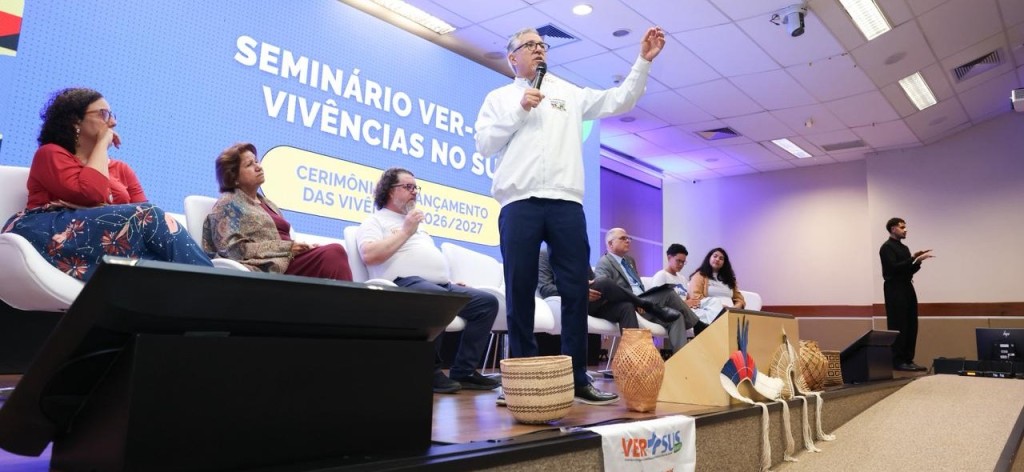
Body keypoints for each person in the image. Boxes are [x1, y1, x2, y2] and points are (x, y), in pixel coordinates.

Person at [474, 26, 666, 405]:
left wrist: (642, 61)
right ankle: (521, 378)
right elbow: (484, 144)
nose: (539, 49)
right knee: (519, 289)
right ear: (512, 57)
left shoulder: (568, 92)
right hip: (520, 202)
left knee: (576, 292)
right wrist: (519, 109)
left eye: (542, 44)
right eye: (529, 45)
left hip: (566, 203)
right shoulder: (499, 98)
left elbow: (620, 100)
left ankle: (577, 377)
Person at [1, 87, 212, 280]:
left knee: (158, 261)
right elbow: (92, 194)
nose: (112, 122)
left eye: (112, 115)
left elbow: (146, 221)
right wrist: (102, 144)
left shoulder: (122, 169)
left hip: (106, 242)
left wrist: (98, 209)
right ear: (75, 121)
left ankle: (209, 297)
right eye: (103, 114)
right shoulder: (50, 153)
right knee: (149, 215)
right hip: (46, 234)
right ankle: (216, 285)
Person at [356, 167, 500, 393]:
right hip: (402, 284)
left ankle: (464, 372)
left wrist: (448, 279)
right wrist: (406, 231)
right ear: (390, 191)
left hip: (438, 285)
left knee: (486, 303)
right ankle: (429, 372)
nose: (414, 192)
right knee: (437, 298)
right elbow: (369, 255)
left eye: (416, 188)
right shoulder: (375, 221)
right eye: (408, 187)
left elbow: (424, 258)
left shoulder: (418, 226)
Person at [202, 143, 352, 281]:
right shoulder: (227, 203)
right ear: (234, 177)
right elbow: (232, 250)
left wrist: (302, 249)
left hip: (289, 261)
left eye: (256, 161)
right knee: (333, 253)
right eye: (249, 164)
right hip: (267, 267)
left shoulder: (268, 203)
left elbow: (284, 242)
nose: (258, 167)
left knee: (330, 254)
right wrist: (286, 249)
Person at [594, 228, 705, 353]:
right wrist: (634, 301)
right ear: (610, 243)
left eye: (628, 238)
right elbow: (607, 290)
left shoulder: (630, 261)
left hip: (643, 302)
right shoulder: (604, 263)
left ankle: (681, 359)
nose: (628, 241)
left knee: (676, 316)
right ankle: (698, 325)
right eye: (623, 238)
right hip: (631, 303)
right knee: (668, 293)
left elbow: (636, 285)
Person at [538, 247, 640, 331]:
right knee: (603, 282)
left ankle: (634, 350)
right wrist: (579, 291)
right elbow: (545, 288)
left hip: (591, 303)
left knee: (626, 307)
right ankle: (641, 302)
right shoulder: (545, 254)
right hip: (570, 302)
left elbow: (593, 280)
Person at [879, 217, 933, 372]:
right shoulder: (886, 247)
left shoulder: (904, 248)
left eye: (905, 227)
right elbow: (893, 268)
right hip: (894, 289)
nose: (905, 230)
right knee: (899, 323)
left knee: (911, 324)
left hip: (907, 287)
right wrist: (912, 258)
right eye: (902, 227)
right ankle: (898, 360)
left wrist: (918, 262)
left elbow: (907, 271)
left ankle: (908, 359)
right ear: (893, 229)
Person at [688, 247, 746, 324]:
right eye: (715, 256)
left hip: (731, 313)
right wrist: (720, 307)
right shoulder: (699, 275)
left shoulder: (730, 278)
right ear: (709, 258)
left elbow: (739, 299)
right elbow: (695, 297)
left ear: (724, 263)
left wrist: (734, 308)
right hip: (710, 312)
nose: (717, 259)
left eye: (721, 258)